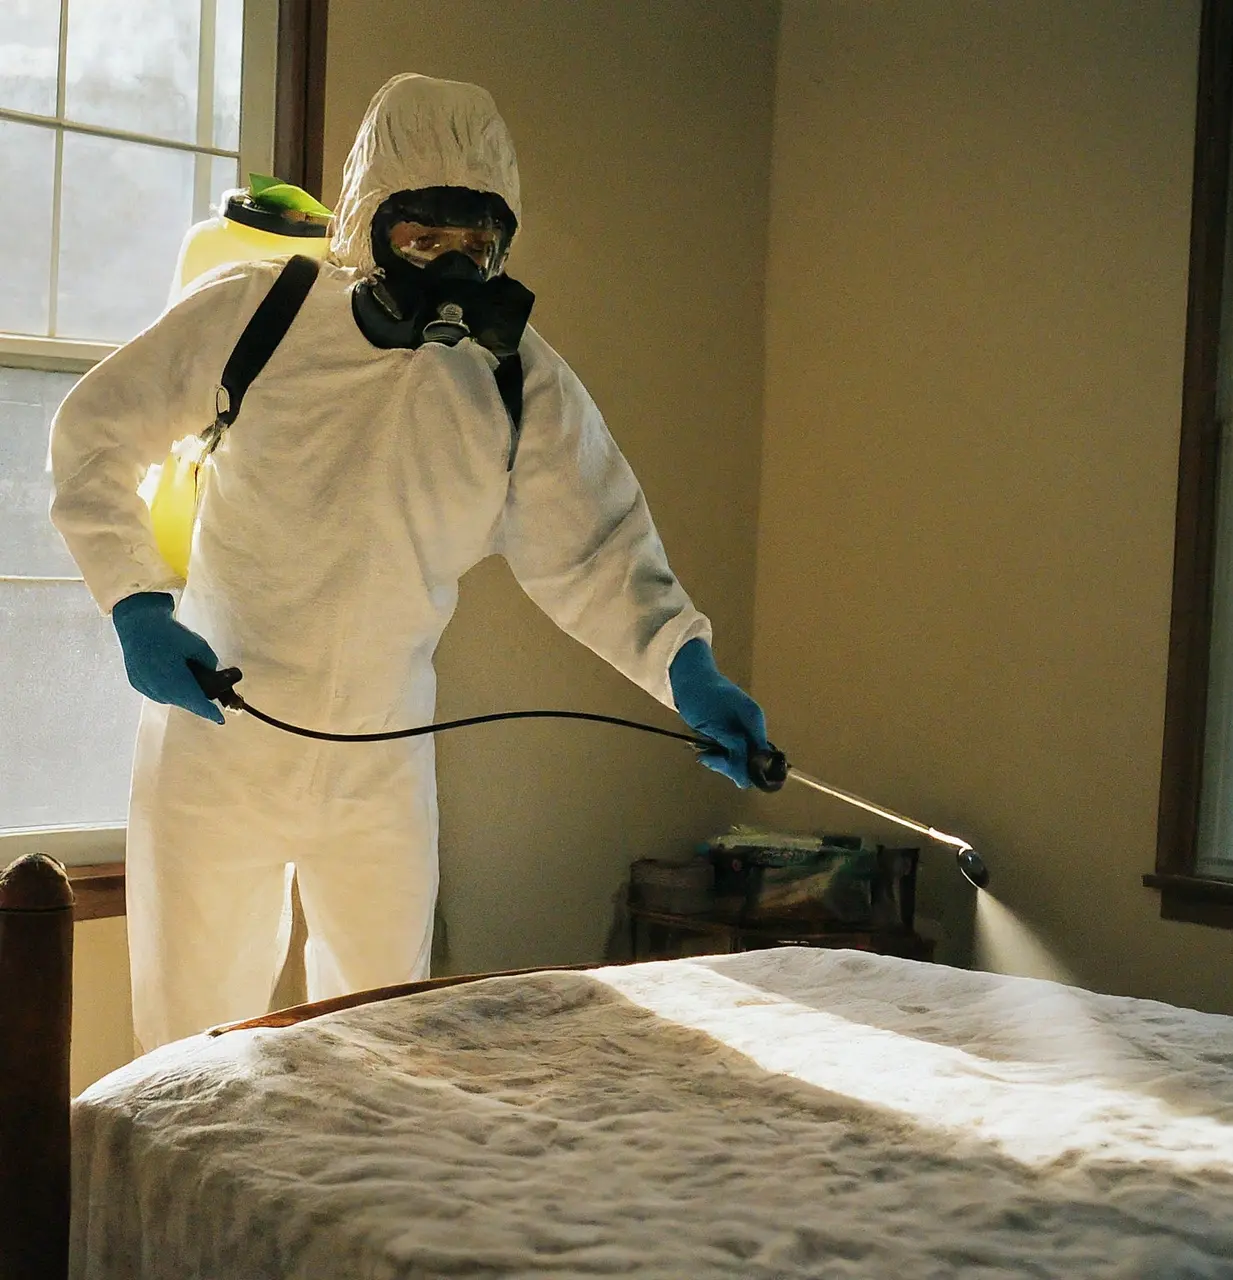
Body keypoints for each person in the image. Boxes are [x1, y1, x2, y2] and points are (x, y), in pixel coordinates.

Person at [49, 74, 768, 1052]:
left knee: (383, 1046)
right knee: (188, 1055)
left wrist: (690, 671)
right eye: (423, 236)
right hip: (217, 741)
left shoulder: (517, 384)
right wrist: (137, 602)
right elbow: (94, 433)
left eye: (476, 241)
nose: (451, 265)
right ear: (369, 222)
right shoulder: (259, 316)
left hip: (381, 764)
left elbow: (599, 549)